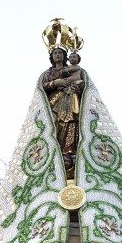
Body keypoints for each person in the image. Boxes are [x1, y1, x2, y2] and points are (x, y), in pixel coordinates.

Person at [39, 46, 84, 176]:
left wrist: (75, 87)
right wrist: (55, 83)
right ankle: (55, 150)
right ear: (52, 57)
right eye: (55, 53)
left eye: (60, 53)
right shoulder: (47, 73)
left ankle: (68, 152)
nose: (57, 55)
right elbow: (42, 86)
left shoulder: (70, 69)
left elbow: (81, 83)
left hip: (69, 99)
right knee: (54, 124)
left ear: (65, 56)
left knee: (71, 124)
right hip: (54, 102)